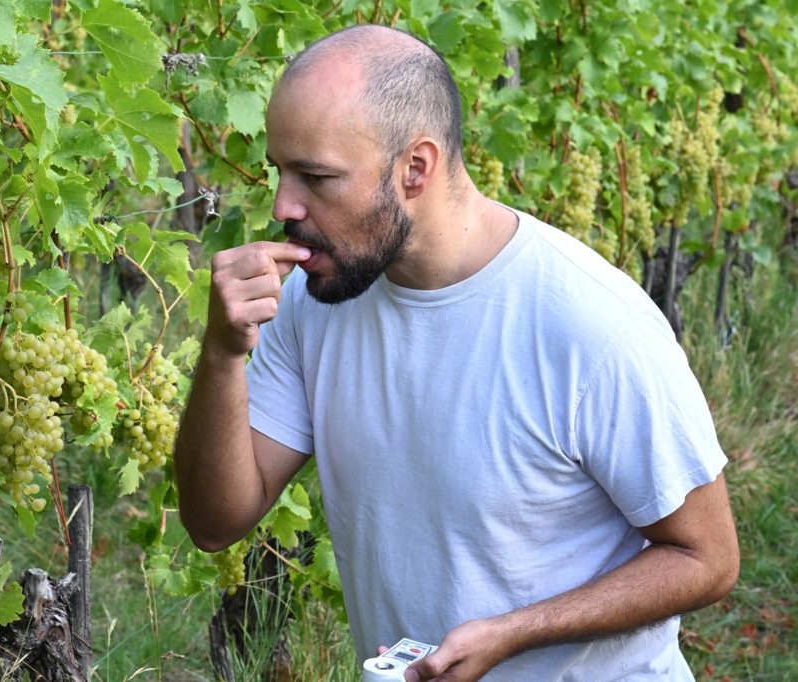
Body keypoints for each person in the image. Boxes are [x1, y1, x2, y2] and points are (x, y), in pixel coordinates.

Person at [174, 24, 739, 682]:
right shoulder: (313, 302)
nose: (283, 205)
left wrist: (514, 632)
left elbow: (709, 559)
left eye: (316, 177)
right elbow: (216, 523)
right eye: (280, 171)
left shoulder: (590, 325)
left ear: (416, 167)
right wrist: (221, 354)